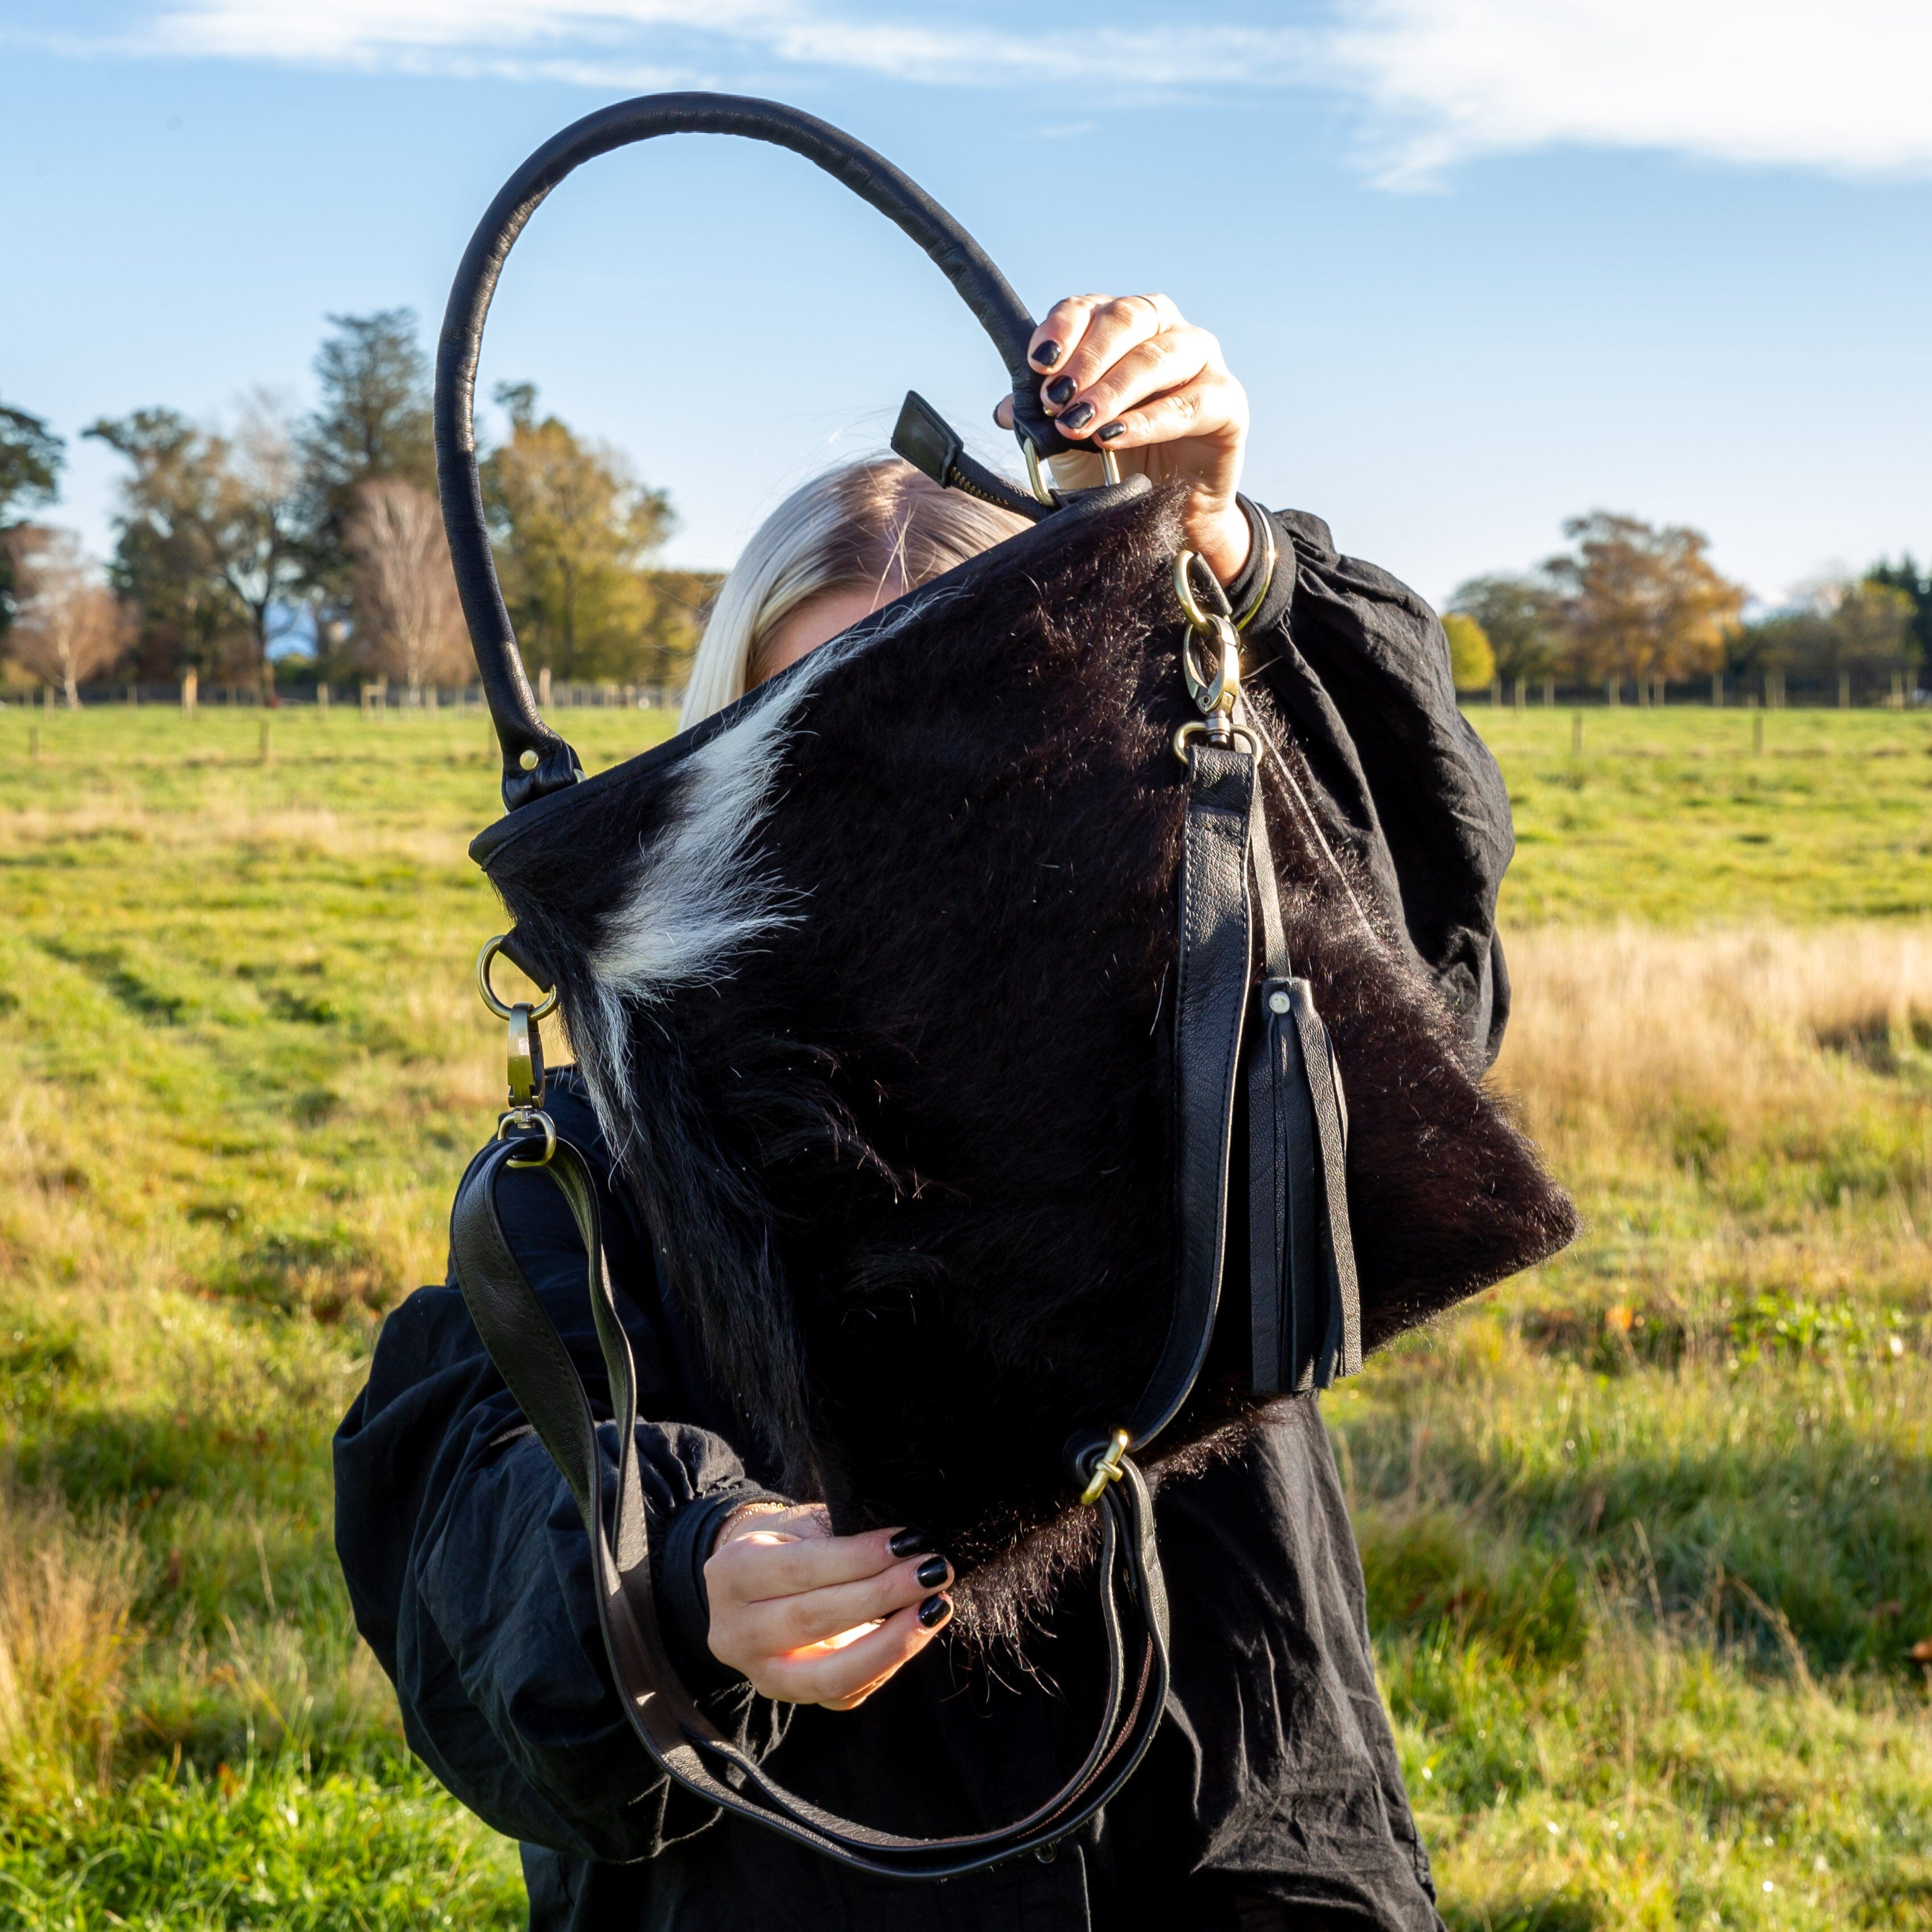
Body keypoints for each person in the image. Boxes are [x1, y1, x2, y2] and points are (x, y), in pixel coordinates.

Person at [336, 293, 1514, 1931]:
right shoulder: (616, 1133)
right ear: (716, 764)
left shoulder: (1200, 1049)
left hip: (1236, 1864)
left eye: (953, 728)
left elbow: (1418, 966)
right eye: (817, 742)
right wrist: (681, 1587)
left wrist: (1226, 561)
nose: (888, 817)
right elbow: (465, 1512)